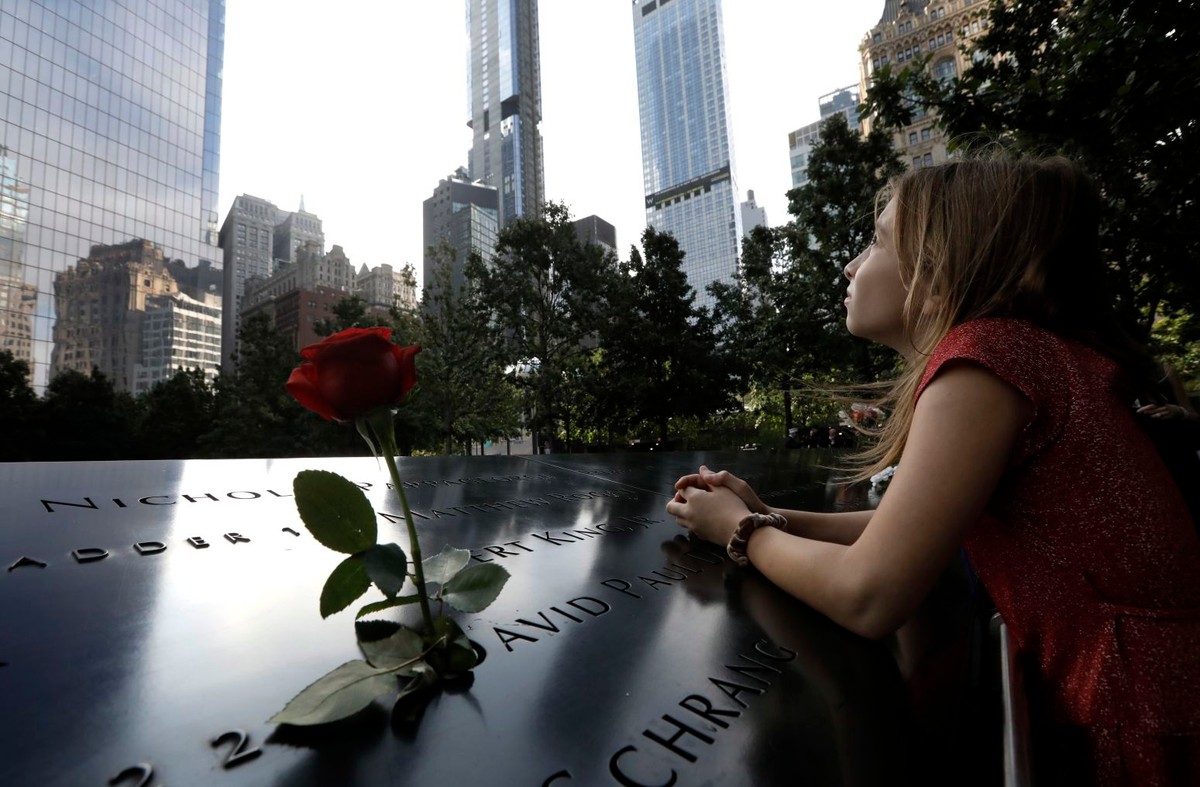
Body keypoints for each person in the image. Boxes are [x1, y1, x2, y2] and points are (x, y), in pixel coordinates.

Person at [667, 155, 1200, 786]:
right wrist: (768, 514)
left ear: (939, 272)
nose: (850, 265)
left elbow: (868, 596)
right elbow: (908, 525)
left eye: (876, 242)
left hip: (1137, 713)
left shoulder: (985, 358)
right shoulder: (1027, 353)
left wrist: (743, 533)